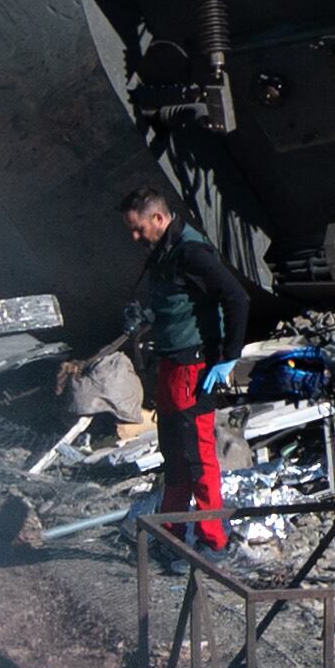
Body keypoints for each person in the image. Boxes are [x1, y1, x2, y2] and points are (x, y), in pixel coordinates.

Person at [122, 185, 250, 554]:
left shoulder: (192, 252)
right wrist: (150, 316)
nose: (135, 237)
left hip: (193, 367)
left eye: (138, 229)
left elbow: (236, 297)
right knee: (174, 451)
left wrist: (229, 356)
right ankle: (172, 531)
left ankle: (214, 541)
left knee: (197, 456)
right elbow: (179, 300)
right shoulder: (164, 250)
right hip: (171, 363)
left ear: (158, 218)